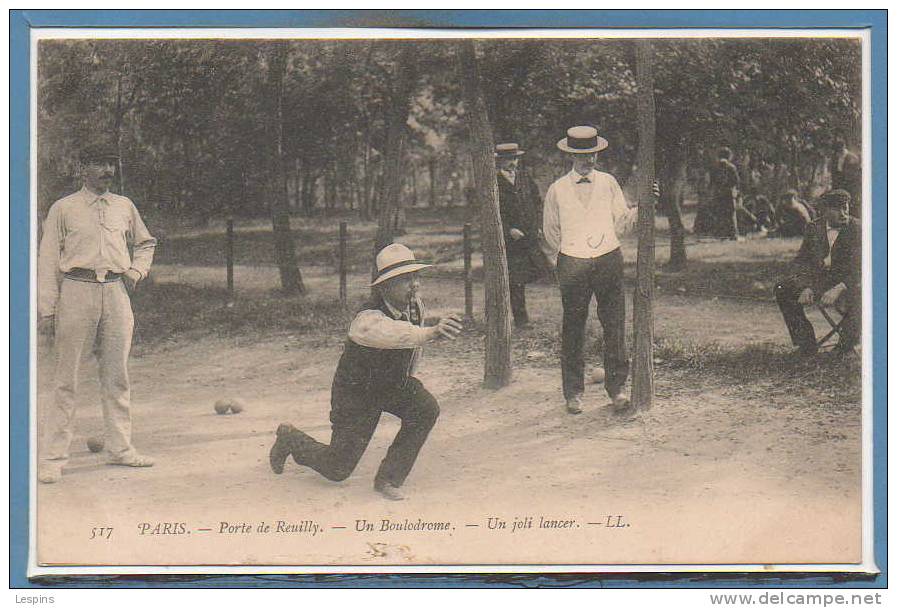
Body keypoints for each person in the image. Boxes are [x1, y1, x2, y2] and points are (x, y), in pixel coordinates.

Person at [269, 243, 463, 501]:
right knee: (337, 468)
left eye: (415, 277)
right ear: (384, 287)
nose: (414, 285)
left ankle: (388, 478)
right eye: (405, 280)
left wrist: (409, 371)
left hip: (392, 384)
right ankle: (290, 438)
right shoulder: (367, 320)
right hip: (357, 393)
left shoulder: (415, 306)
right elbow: (395, 334)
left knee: (425, 408)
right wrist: (431, 332)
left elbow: (413, 347)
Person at [37, 142, 157, 484]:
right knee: (66, 379)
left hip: (117, 291)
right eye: (100, 164)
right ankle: (53, 457)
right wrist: (47, 308)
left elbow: (146, 242)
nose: (108, 171)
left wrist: (136, 272)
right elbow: (46, 260)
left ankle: (120, 449)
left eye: (111, 165)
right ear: (83, 167)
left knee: (117, 374)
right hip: (76, 290)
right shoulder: (64, 208)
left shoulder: (124, 206)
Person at [543, 126, 637, 416]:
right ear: (571, 155)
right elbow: (551, 233)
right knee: (573, 327)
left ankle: (617, 388)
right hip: (573, 263)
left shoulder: (609, 183)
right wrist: (570, 256)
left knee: (614, 324)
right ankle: (573, 392)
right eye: (583, 155)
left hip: (608, 259)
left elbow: (622, 224)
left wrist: (642, 208)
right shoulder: (557, 189)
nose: (590, 160)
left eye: (593, 153)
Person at [774, 189, 861, 357]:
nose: (843, 214)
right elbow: (801, 262)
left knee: (864, 293)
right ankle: (806, 345)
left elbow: (861, 268)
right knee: (782, 288)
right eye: (837, 209)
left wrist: (839, 288)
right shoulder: (814, 228)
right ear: (825, 211)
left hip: (849, 281)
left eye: (845, 208)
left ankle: (845, 347)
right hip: (821, 281)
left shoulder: (858, 229)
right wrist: (806, 286)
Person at [495, 142, 548, 329]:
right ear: (499, 161)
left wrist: (539, 225)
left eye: (515, 158)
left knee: (539, 268)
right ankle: (520, 319)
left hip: (530, 233)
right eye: (509, 159)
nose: (513, 163)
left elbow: (537, 201)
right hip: (511, 239)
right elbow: (494, 211)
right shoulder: (495, 181)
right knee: (515, 279)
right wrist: (509, 229)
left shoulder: (525, 177)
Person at [709, 146, 740, 239]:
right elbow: (736, 181)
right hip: (729, 193)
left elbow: (712, 181)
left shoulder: (714, 167)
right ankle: (733, 234)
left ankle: (721, 234)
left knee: (720, 214)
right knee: (730, 214)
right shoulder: (731, 167)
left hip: (718, 193)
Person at [831, 139, 861, 219]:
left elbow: (855, 174)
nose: (838, 152)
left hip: (849, 184)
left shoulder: (852, 157)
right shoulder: (836, 157)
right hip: (838, 182)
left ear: (844, 147)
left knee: (850, 203)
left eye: (840, 149)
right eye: (837, 150)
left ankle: (852, 218)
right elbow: (834, 170)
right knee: (839, 201)